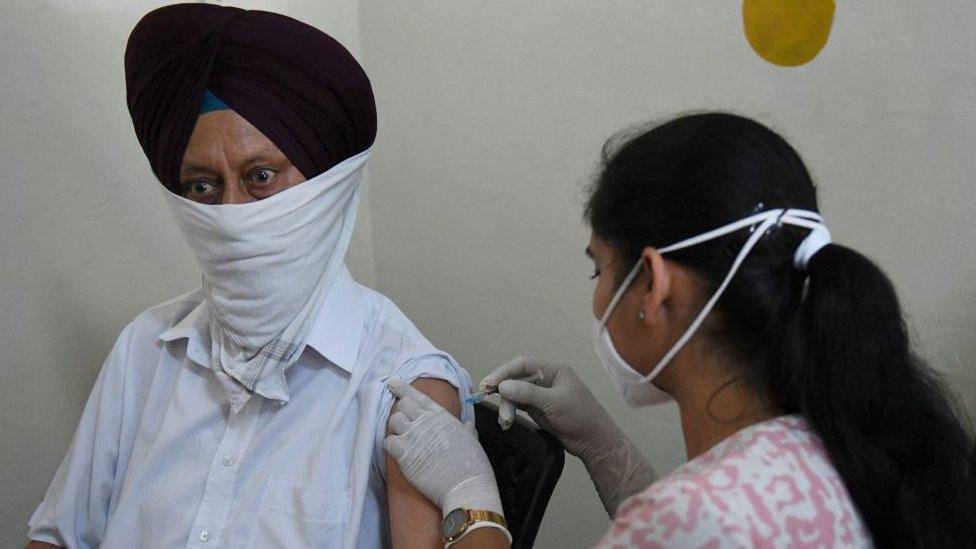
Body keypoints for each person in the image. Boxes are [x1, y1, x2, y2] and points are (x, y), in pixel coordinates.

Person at [383, 113, 976, 548]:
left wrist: (472, 501)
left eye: (600, 268)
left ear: (655, 286)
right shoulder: (860, 448)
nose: (596, 297)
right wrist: (602, 445)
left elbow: (687, 524)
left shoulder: (687, 519)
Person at [26, 4, 474, 548]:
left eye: (261, 176)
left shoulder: (403, 386)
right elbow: (60, 536)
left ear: (329, 182)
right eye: (201, 186)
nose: (232, 213)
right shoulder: (146, 350)